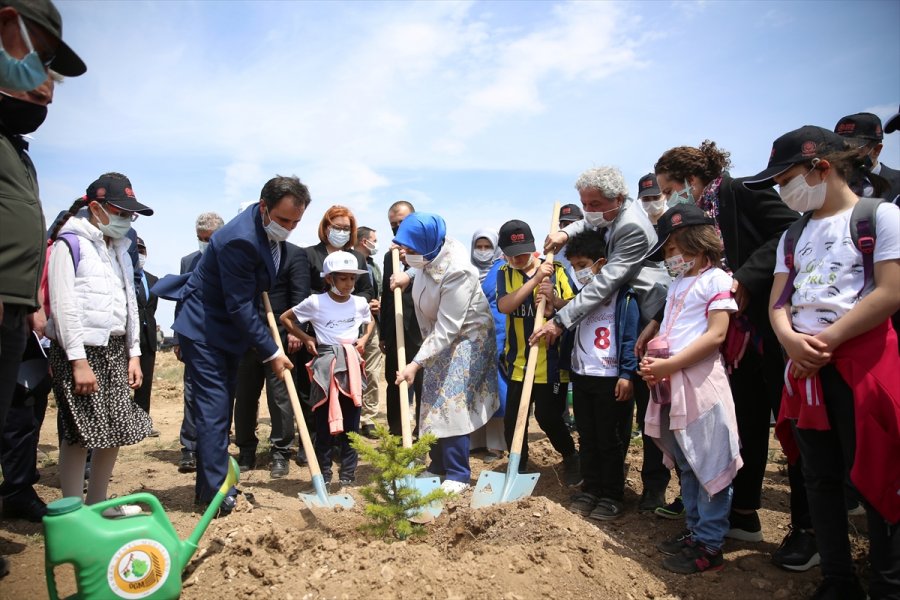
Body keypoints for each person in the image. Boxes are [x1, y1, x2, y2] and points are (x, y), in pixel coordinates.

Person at [746, 125, 900, 599]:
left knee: (877, 472)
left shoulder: (880, 217)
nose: (780, 189)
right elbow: (778, 301)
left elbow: (890, 292)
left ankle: (888, 583)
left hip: (861, 363)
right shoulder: (794, 234)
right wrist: (792, 342)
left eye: (785, 177)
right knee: (820, 478)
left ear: (821, 167)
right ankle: (837, 579)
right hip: (805, 368)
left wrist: (825, 341)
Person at [653, 142, 801, 550]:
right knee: (745, 426)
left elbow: (790, 228)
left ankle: (806, 528)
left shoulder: (739, 193)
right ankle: (742, 515)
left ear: (692, 180)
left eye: (669, 190)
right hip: (733, 340)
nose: (669, 199)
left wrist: (747, 278)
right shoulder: (700, 223)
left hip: (768, 328)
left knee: (787, 427)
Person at [156, 176, 306, 516]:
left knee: (219, 410)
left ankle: (211, 487)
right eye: (284, 221)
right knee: (214, 411)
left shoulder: (264, 230)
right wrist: (273, 351)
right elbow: (239, 306)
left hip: (226, 331)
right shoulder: (241, 239)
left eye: (296, 223)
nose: (289, 229)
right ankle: (213, 495)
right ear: (264, 207)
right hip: (207, 330)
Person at [534, 166, 669, 512]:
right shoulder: (606, 213)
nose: (588, 209)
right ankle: (593, 487)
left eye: (594, 203)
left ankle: (631, 491)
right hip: (588, 368)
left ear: (619, 200)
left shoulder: (632, 228)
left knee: (630, 423)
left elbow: (604, 284)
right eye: (584, 203)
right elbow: (589, 222)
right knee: (591, 432)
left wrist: (559, 321)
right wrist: (566, 235)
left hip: (639, 321)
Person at [640, 204, 742, 574]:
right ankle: (696, 530)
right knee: (687, 461)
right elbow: (671, 328)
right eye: (667, 253)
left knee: (710, 461)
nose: (670, 259)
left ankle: (711, 543)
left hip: (700, 383)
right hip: (672, 382)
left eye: (674, 250)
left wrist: (669, 365)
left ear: (698, 245)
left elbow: (716, 335)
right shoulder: (678, 284)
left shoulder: (716, 280)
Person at [45, 173, 155, 511]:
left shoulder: (120, 249)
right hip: (80, 350)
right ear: (96, 207)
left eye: (130, 215)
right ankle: (73, 509)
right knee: (81, 432)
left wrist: (133, 354)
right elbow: (63, 307)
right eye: (120, 212)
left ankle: (99, 502)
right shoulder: (70, 244)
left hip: (115, 350)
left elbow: (130, 305)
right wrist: (78, 362)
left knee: (117, 426)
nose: (126, 220)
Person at [391, 213, 499, 493]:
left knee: (450, 402)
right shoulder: (433, 253)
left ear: (428, 246)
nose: (405, 253)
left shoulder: (459, 272)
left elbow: (449, 327)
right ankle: (437, 466)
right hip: (439, 337)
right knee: (431, 399)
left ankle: (458, 474)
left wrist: (415, 364)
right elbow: (425, 267)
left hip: (467, 338)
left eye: (411, 250)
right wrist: (408, 274)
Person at [496, 219, 579, 484]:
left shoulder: (556, 269)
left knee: (547, 416)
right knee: (512, 419)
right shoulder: (504, 273)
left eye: (522, 253)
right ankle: (518, 465)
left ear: (533, 248)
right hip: (519, 362)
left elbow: (576, 305)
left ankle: (570, 457)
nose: (517, 259)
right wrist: (534, 281)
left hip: (550, 363)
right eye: (511, 254)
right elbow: (505, 306)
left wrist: (554, 299)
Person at [564, 230, 639, 520]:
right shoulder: (580, 297)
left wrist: (627, 374)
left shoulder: (623, 297)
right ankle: (591, 488)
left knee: (610, 438)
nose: (578, 271)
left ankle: (612, 494)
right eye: (574, 266)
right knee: (587, 435)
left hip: (611, 379)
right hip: (582, 377)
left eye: (583, 264)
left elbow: (630, 338)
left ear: (601, 263)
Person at [281, 251, 370, 486]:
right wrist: (307, 338)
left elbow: (369, 322)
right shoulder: (316, 302)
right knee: (323, 420)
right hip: (326, 362)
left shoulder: (359, 302)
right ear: (329, 278)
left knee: (351, 421)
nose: (349, 284)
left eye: (352, 279)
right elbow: (286, 318)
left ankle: (348, 475)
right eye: (343, 278)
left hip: (351, 362)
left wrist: (363, 340)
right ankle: (324, 474)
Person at [231, 237, 309, 477]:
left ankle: (281, 451)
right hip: (245, 338)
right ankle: (246, 449)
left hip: (280, 338)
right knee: (244, 397)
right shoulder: (240, 256)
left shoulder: (294, 254)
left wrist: (296, 332)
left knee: (280, 397)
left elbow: (300, 295)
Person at [174, 211, 224, 473]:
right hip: (194, 337)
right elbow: (182, 300)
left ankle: (215, 448)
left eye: (209, 238)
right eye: (200, 238)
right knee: (192, 394)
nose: (204, 242)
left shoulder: (232, 261)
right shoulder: (188, 262)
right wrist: (179, 339)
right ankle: (189, 449)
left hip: (222, 339)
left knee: (220, 397)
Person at [380, 201, 424, 437]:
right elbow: (387, 297)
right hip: (396, 330)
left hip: (421, 328)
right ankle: (398, 433)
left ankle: (421, 433)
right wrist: (384, 333)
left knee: (422, 382)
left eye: (403, 222)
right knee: (394, 382)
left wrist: (411, 261)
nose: (398, 228)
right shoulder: (390, 256)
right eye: (393, 225)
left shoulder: (427, 249)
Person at [469, 228, 506, 462]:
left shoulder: (502, 269)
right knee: (472, 389)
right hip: (471, 335)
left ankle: (495, 444)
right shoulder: (467, 271)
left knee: (497, 389)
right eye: (478, 247)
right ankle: (475, 442)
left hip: (497, 333)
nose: (483, 251)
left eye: (487, 247)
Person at [354, 225, 383, 439]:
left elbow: (380, 292)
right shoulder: (346, 260)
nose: (376, 242)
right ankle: (352, 418)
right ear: (365, 241)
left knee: (372, 372)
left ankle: (369, 418)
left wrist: (379, 303)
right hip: (349, 324)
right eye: (374, 239)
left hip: (372, 325)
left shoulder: (374, 267)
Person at [834, 112, 900, 204]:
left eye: (852, 149)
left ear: (876, 150)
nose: (844, 155)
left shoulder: (897, 184)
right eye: (839, 147)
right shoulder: (828, 187)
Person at [133, 237, 159, 436]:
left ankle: (142, 423)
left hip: (148, 336)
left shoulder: (152, 280)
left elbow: (151, 308)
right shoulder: (123, 276)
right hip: (128, 338)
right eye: (137, 249)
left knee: (146, 381)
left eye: (143, 249)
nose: (140, 253)